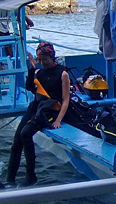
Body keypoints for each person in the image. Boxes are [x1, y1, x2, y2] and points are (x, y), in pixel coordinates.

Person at [6, 41, 70, 186]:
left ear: (52, 57)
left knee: (26, 133)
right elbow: (30, 88)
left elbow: (66, 100)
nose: (42, 63)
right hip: (37, 105)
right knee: (16, 142)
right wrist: (32, 69)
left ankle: (31, 176)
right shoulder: (38, 72)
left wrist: (59, 119)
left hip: (52, 108)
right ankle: (9, 180)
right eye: (39, 60)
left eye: (44, 60)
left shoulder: (62, 73)